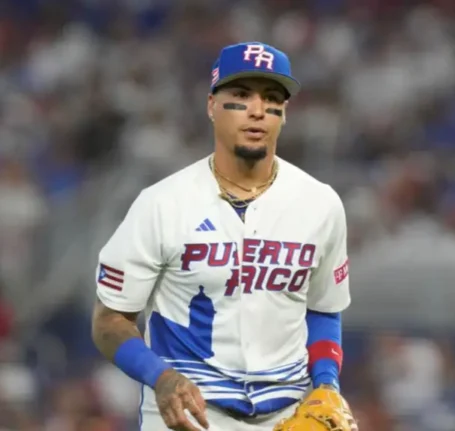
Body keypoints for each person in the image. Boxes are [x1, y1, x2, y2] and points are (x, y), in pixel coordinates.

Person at [91, 42, 355, 431]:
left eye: (272, 98)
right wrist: (160, 377)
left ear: (284, 114)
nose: (257, 109)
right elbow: (110, 320)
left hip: (290, 412)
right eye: (241, 95)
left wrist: (327, 384)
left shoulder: (320, 204)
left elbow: (324, 309)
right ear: (212, 106)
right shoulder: (162, 204)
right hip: (189, 413)